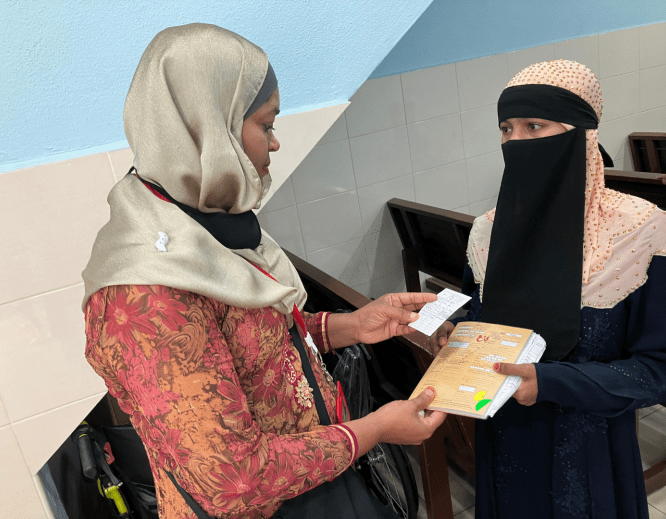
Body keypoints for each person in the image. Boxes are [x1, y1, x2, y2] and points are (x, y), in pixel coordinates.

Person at [82, 24, 446, 519]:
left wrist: (350, 325)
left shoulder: (205, 222)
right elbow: (233, 480)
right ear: (210, 129)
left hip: (319, 479)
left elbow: (252, 346)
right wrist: (377, 429)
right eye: (266, 125)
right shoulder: (145, 294)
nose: (274, 145)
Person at [435, 60, 666, 518]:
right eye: (506, 128)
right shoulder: (487, 231)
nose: (514, 142)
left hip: (590, 454)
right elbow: (479, 315)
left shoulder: (639, 232)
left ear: (580, 134)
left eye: (534, 126)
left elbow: (657, 368)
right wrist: (457, 332)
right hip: (503, 439)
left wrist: (550, 382)